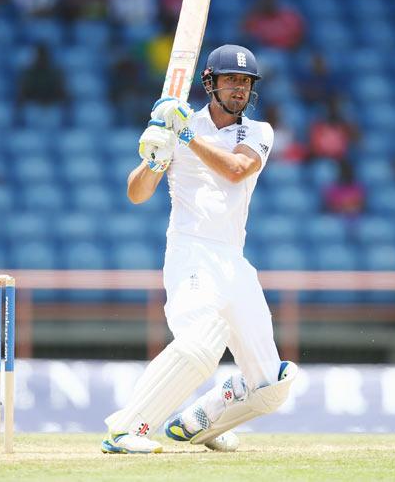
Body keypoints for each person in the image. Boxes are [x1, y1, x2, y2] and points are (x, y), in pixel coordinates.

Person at [102, 45, 297, 454]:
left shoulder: (258, 133)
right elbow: (137, 194)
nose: (240, 89)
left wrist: (184, 135)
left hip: (233, 260)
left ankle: (195, 423)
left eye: (245, 82)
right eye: (231, 80)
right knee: (200, 344)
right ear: (210, 83)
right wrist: (155, 154)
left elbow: (236, 169)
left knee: (272, 384)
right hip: (191, 252)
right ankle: (125, 430)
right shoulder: (178, 124)